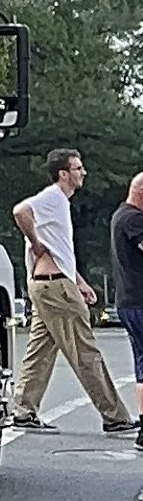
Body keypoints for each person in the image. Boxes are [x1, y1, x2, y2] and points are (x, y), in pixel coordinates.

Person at [13, 149, 132, 433]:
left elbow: (60, 251)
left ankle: (23, 410)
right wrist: (35, 242)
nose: (83, 173)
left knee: (39, 350)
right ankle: (115, 416)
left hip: (46, 285)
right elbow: (20, 211)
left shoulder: (60, 204)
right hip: (55, 288)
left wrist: (78, 281)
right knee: (85, 352)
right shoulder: (53, 196)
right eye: (77, 168)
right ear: (63, 174)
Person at [112, 171, 143, 450]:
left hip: (129, 300)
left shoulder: (121, 216)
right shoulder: (133, 220)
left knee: (142, 365)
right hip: (139, 300)